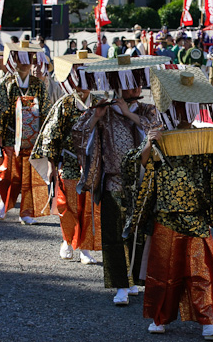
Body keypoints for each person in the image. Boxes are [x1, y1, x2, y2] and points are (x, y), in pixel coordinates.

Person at [121, 66, 213, 340]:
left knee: (201, 269)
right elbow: (134, 164)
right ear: (171, 108)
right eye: (181, 107)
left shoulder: (205, 137)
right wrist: (150, 144)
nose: (188, 112)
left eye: (192, 107)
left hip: (196, 214)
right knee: (164, 270)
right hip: (166, 214)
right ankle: (160, 317)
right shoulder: (159, 134)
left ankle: (209, 321)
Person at [71, 55, 165, 305]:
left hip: (143, 181)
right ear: (118, 85)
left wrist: (130, 115)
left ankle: (133, 279)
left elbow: (159, 134)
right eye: (129, 83)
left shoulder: (147, 110)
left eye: (137, 83)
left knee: (139, 232)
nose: (134, 88)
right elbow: (77, 135)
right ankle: (120, 286)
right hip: (113, 179)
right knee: (114, 233)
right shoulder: (104, 111)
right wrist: (95, 117)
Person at [31, 51, 104, 263]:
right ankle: (67, 239)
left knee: (88, 206)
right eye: (78, 79)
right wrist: (52, 165)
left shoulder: (100, 104)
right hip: (69, 160)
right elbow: (51, 136)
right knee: (67, 204)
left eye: (87, 79)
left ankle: (84, 248)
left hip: (92, 164)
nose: (83, 85)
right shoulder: (64, 104)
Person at [0, 41, 51, 224]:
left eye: (28, 59)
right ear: (14, 60)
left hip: (33, 137)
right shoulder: (7, 82)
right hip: (11, 135)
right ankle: (5, 200)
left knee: (30, 175)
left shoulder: (38, 84)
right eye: (21, 59)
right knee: (8, 174)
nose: (25, 63)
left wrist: (45, 138)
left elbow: (46, 110)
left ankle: (26, 211)